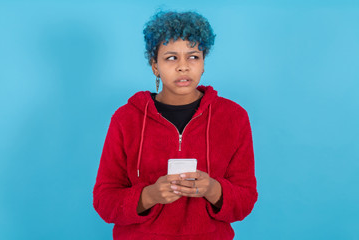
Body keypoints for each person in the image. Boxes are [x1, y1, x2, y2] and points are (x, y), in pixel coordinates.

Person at [93, 10, 258, 240]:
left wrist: (212, 189)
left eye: (193, 56)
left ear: (203, 64)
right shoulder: (126, 118)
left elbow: (246, 199)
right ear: (154, 65)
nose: (183, 67)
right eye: (171, 57)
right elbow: (104, 200)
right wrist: (149, 195)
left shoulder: (234, 117)